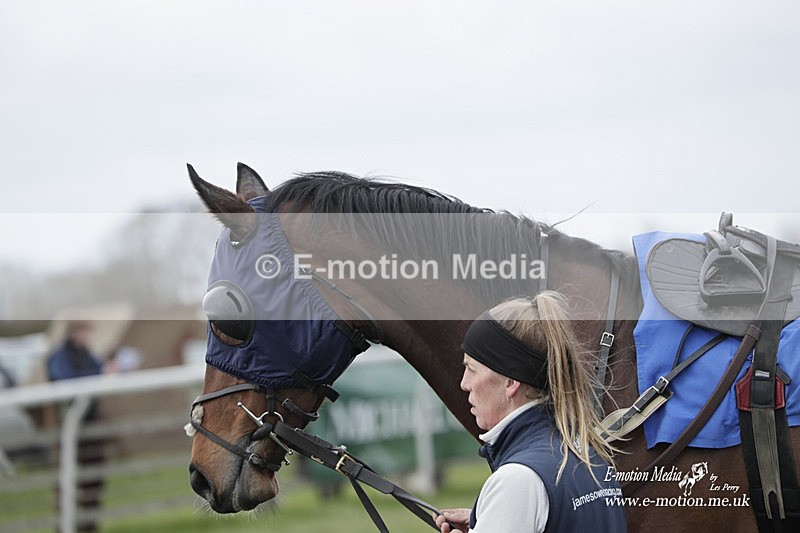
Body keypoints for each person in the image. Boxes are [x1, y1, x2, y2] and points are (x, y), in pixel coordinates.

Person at [435, 292, 626, 532]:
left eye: (472, 369)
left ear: (510, 382)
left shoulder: (517, 479)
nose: (464, 384)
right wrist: (488, 519)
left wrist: (502, 512)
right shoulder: (590, 455)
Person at [46, 321, 106, 532]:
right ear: (75, 333)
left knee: (93, 477)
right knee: (66, 479)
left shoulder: (87, 355)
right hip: (67, 427)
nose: (88, 338)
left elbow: (99, 370)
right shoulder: (59, 357)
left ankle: (89, 523)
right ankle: (64, 524)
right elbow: (66, 380)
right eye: (86, 333)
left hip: (90, 423)